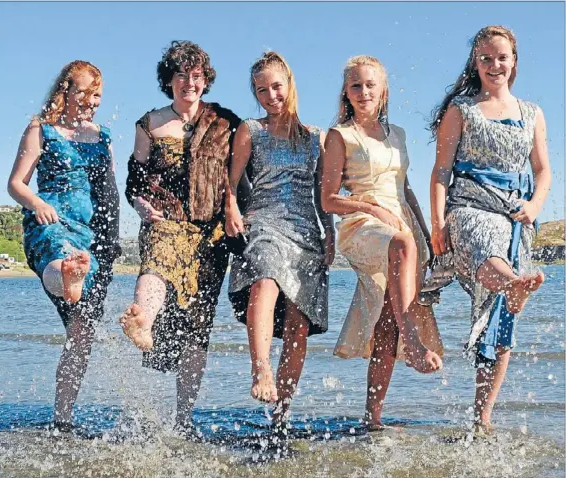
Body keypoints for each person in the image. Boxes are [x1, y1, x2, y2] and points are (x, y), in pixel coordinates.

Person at [429, 25, 550, 434]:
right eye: (485, 58)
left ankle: (482, 419)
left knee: (501, 326)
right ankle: (513, 283)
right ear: (475, 63)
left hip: (516, 216)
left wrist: (534, 206)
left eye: (501, 57)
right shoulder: (460, 110)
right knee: (486, 242)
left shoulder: (532, 113)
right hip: (468, 208)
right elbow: (441, 170)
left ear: (514, 61)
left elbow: (543, 171)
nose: (494, 65)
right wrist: (437, 221)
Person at [119, 41, 246, 431]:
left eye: (196, 76)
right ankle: (141, 319)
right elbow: (134, 181)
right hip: (166, 217)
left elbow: (238, 177)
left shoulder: (227, 123)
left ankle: (182, 419)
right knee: (156, 260)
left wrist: (233, 209)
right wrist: (141, 206)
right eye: (180, 76)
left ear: (205, 81)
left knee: (197, 327)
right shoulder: (150, 123)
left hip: (210, 235)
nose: (188, 83)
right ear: (168, 80)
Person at [321, 55, 443, 430]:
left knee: (386, 323)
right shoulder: (341, 135)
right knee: (402, 245)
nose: (363, 92)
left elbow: (405, 189)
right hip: (363, 224)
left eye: (370, 84)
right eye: (355, 85)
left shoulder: (399, 135)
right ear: (346, 91)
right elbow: (328, 199)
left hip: (404, 227)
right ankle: (414, 337)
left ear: (383, 89)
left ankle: (373, 419)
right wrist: (371, 206)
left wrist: (428, 235)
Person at [8, 61, 120, 431]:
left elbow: (110, 194)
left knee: (82, 333)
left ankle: (63, 418)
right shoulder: (42, 129)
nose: (92, 102)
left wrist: (112, 243)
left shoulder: (102, 137)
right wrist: (38, 204)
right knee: (60, 261)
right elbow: (16, 184)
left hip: (92, 240)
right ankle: (69, 274)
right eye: (86, 93)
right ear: (65, 91)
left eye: (98, 95)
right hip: (51, 223)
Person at [225, 52, 334, 431]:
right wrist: (231, 210)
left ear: (289, 84)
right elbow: (232, 179)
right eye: (261, 90)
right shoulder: (250, 130)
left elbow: (322, 192)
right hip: (264, 221)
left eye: (276, 86)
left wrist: (330, 231)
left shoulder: (314, 138)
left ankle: (281, 416)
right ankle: (261, 370)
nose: (270, 96)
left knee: (297, 323)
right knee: (266, 278)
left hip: (306, 232)